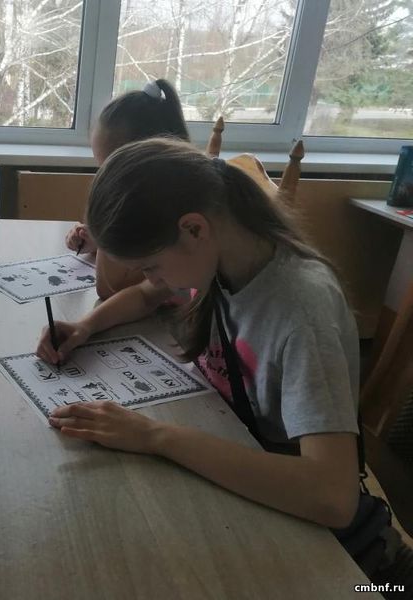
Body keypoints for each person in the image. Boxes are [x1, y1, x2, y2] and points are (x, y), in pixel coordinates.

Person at [39, 138, 361, 529]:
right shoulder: (221, 253)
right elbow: (146, 296)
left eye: (151, 265)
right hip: (221, 432)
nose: (151, 277)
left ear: (193, 229)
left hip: (280, 497)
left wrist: (155, 436)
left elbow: (332, 495)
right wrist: (85, 326)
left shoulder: (302, 312)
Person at [65, 79, 189, 299]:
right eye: (101, 168)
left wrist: (106, 228)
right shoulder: (150, 196)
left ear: (147, 162)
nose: (104, 179)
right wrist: (97, 240)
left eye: (110, 168)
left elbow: (108, 288)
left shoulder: (175, 212)